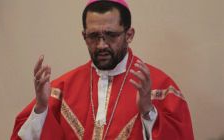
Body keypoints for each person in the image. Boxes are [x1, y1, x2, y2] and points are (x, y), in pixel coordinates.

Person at [11, 0, 194, 140]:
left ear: (129, 35)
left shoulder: (161, 87)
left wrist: (148, 112)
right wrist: (41, 110)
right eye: (93, 36)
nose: (101, 45)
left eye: (110, 35)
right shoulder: (62, 88)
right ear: (84, 35)